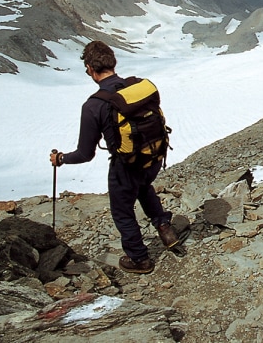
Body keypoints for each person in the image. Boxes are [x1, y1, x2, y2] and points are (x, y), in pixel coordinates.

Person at [50, 40, 178, 274]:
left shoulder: (94, 105)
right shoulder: (136, 88)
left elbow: (85, 154)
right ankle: (164, 226)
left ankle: (140, 259)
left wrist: (61, 159)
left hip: (126, 166)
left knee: (122, 210)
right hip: (153, 157)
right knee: (143, 187)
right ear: (113, 63)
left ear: (90, 68)